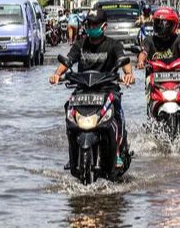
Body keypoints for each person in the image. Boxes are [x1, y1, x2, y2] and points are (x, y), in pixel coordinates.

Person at [49, 10, 135, 168]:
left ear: (104, 26)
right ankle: (73, 153)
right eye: (90, 24)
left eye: (95, 24)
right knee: (69, 109)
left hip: (107, 90)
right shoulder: (80, 45)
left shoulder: (113, 45)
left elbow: (124, 62)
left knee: (117, 112)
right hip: (83, 91)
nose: (92, 27)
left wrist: (128, 75)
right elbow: (68, 60)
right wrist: (57, 74)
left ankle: (116, 152)